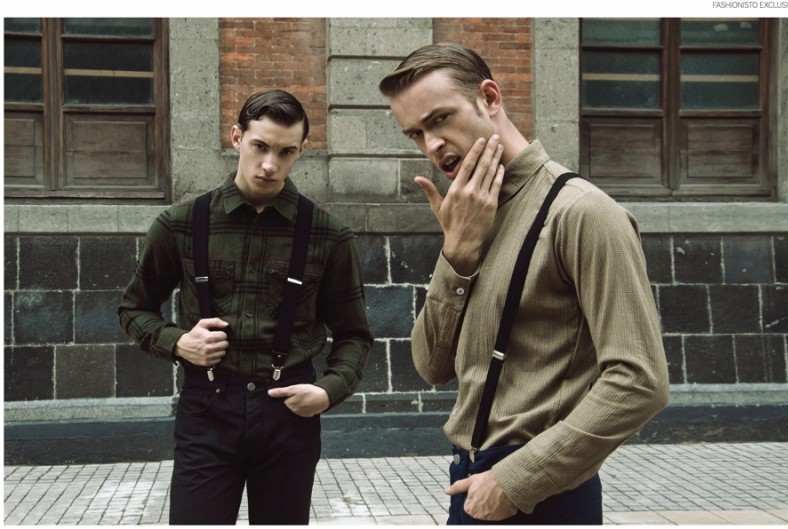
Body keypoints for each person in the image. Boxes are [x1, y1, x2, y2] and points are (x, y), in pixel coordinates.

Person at [379, 43, 669, 525]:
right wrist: (458, 253)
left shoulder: (581, 212)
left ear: (489, 98)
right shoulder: (470, 214)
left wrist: (517, 481)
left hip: (539, 489)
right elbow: (431, 366)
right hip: (470, 481)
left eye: (440, 119)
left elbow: (639, 381)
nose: (431, 145)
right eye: (415, 134)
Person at [118, 89, 373, 525]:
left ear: (300, 151)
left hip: (288, 411)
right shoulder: (180, 224)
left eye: (286, 152)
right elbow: (134, 309)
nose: (270, 165)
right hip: (207, 408)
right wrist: (180, 343)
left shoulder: (328, 235)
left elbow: (354, 334)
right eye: (260, 146)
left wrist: (328, 390)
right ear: (237, 137)